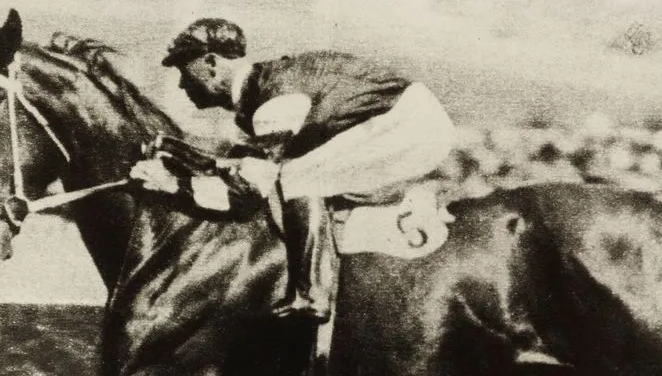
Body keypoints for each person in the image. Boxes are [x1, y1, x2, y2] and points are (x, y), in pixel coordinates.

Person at [132, 18, 456, 322]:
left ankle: (313, 293)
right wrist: (178, 155)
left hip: (412, 124)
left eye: (183, 70)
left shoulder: (270, 101)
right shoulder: (257, 93)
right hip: (399, 114)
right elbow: (238, 164)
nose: (180, 84)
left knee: (296, 179)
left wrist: (173, 184)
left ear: (211, 63)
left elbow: (250, 189)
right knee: (295, 174)